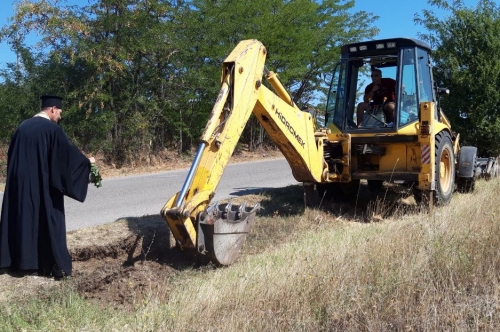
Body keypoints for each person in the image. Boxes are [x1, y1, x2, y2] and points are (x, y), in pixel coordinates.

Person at [0, 95, 94, 279]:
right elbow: (66, 159)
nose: (59, 116)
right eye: (59, 112)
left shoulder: (22, 126)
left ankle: (17, 262)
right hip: (41, 185)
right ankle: (49, 264)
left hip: (19, 184)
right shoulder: (52, 129)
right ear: (52, 109)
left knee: (22, 218)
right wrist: (86, 162)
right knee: (46, 219)